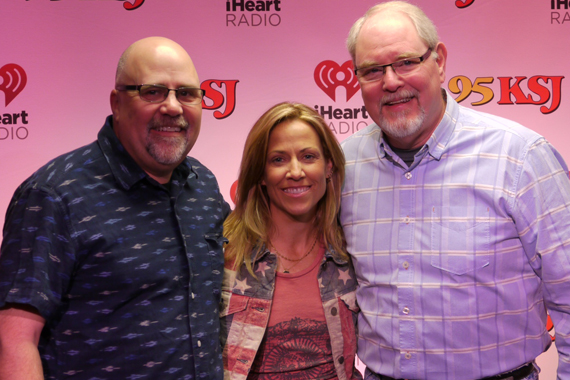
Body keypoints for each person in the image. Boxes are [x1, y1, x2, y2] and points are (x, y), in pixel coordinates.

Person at [340, 2, 570, 380]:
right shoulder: (345, 165)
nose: (391, 82)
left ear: (440, 60)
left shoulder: (521, 158)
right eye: (372, 71)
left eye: (405, 62)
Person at [0, 36, 229, 380]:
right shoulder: (52, 195)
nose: (173, 107)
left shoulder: (204, 186)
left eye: (186, 93)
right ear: (117, 103)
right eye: (153, 91)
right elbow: (14, 340)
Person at [220, 102, 361, 380]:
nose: (295, 171)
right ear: (261, 173)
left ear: (329, 166)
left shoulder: (351, 251)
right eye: (278, 159)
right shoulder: (224, 252)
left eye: (308, 156)